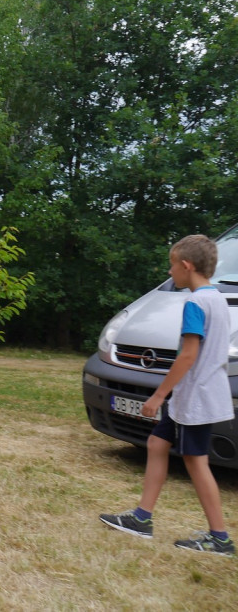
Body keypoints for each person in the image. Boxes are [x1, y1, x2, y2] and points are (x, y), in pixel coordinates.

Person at [99, 234, 235, 556]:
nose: (170, 272)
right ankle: (141, 519)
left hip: (195, 399)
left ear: (187, 266)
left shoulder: (195, 303)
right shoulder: (218, 300)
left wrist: (158, 395)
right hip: (197, 395)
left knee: (196, 463)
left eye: (172, 265)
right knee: (157, 444)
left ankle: (220, 538)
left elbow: (187, 355)